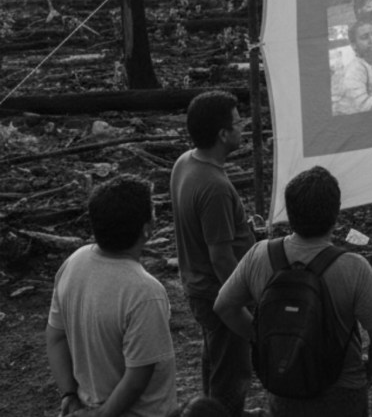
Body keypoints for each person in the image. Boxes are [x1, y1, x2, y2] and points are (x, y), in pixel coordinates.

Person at [215, 166, 372, 417]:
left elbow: (223, 307)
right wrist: (369, 374)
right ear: (335, 213)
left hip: (285, 385)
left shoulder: (260, 255)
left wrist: (261, 339)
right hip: (342, 390)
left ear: (290, 212)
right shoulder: (353, 267)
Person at [47, 174, 178, 417]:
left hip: (86, 403)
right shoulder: (145, 292)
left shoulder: (74, 262)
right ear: (147, 229)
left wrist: (69, 395)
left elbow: (55, 337)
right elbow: (137, 379)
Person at [170, 90, 256, 417]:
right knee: (232, 374)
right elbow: (220, 257)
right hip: (217, 294)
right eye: (237, 122)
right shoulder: (215, 187)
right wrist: (242, 300)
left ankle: (208, 410)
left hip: (198, 286)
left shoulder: (185, 163)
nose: (243, 126)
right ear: (223, 134)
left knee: (216, 360)